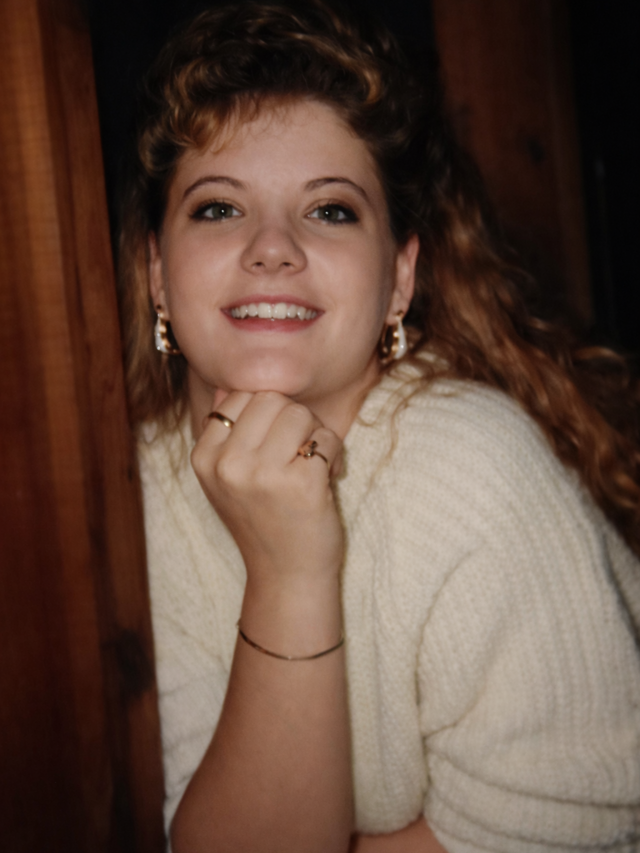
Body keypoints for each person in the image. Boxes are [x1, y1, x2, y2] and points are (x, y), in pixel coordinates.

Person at [117, 1, 640, 850]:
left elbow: (581, 829)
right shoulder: (132, 499)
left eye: (331, 210)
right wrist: (287, 574)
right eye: (218, 208)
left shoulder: (472, 468)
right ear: (156, 272)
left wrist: (292, 569)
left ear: (399, 279)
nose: (273, 247)